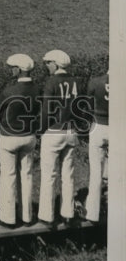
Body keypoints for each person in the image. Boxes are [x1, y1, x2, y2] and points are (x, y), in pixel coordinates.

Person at [37, 49, 82, 226]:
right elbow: (78, 108)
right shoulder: (75, 81)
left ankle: (47, 216)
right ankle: (68, 213)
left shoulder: (51, 81)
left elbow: (47, 111)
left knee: (49, 175)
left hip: (54, 131)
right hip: (71, 131)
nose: (47, 65)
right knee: (68, 175)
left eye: (48, 62)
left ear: (56, 64)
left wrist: (41, 130)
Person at [0, 53, 41, 228]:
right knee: (27, 175)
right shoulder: (37, 89)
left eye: (13, 67)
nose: (11, 70)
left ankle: (8, 217)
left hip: (9, 136)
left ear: (19, 69)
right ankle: (27, 216)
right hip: (29, 136)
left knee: (8, 177)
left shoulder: (9, 91)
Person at [85, 68, 109, 223]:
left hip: (98, 126)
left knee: (96, 173)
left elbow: (86, 106)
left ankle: (92, 213)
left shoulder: (95, 81)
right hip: (118, 126)